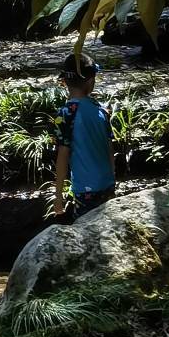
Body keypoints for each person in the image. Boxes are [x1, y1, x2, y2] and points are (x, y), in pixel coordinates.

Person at [51, 52, 115, 220]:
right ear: (91, 81)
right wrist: (112, 180)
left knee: (87, 234)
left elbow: (63, 157)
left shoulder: (66, 114)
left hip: (85, 190)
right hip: (107, 184)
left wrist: (58, 197)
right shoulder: (102, 110)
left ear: (64, 81)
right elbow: (109, 150)